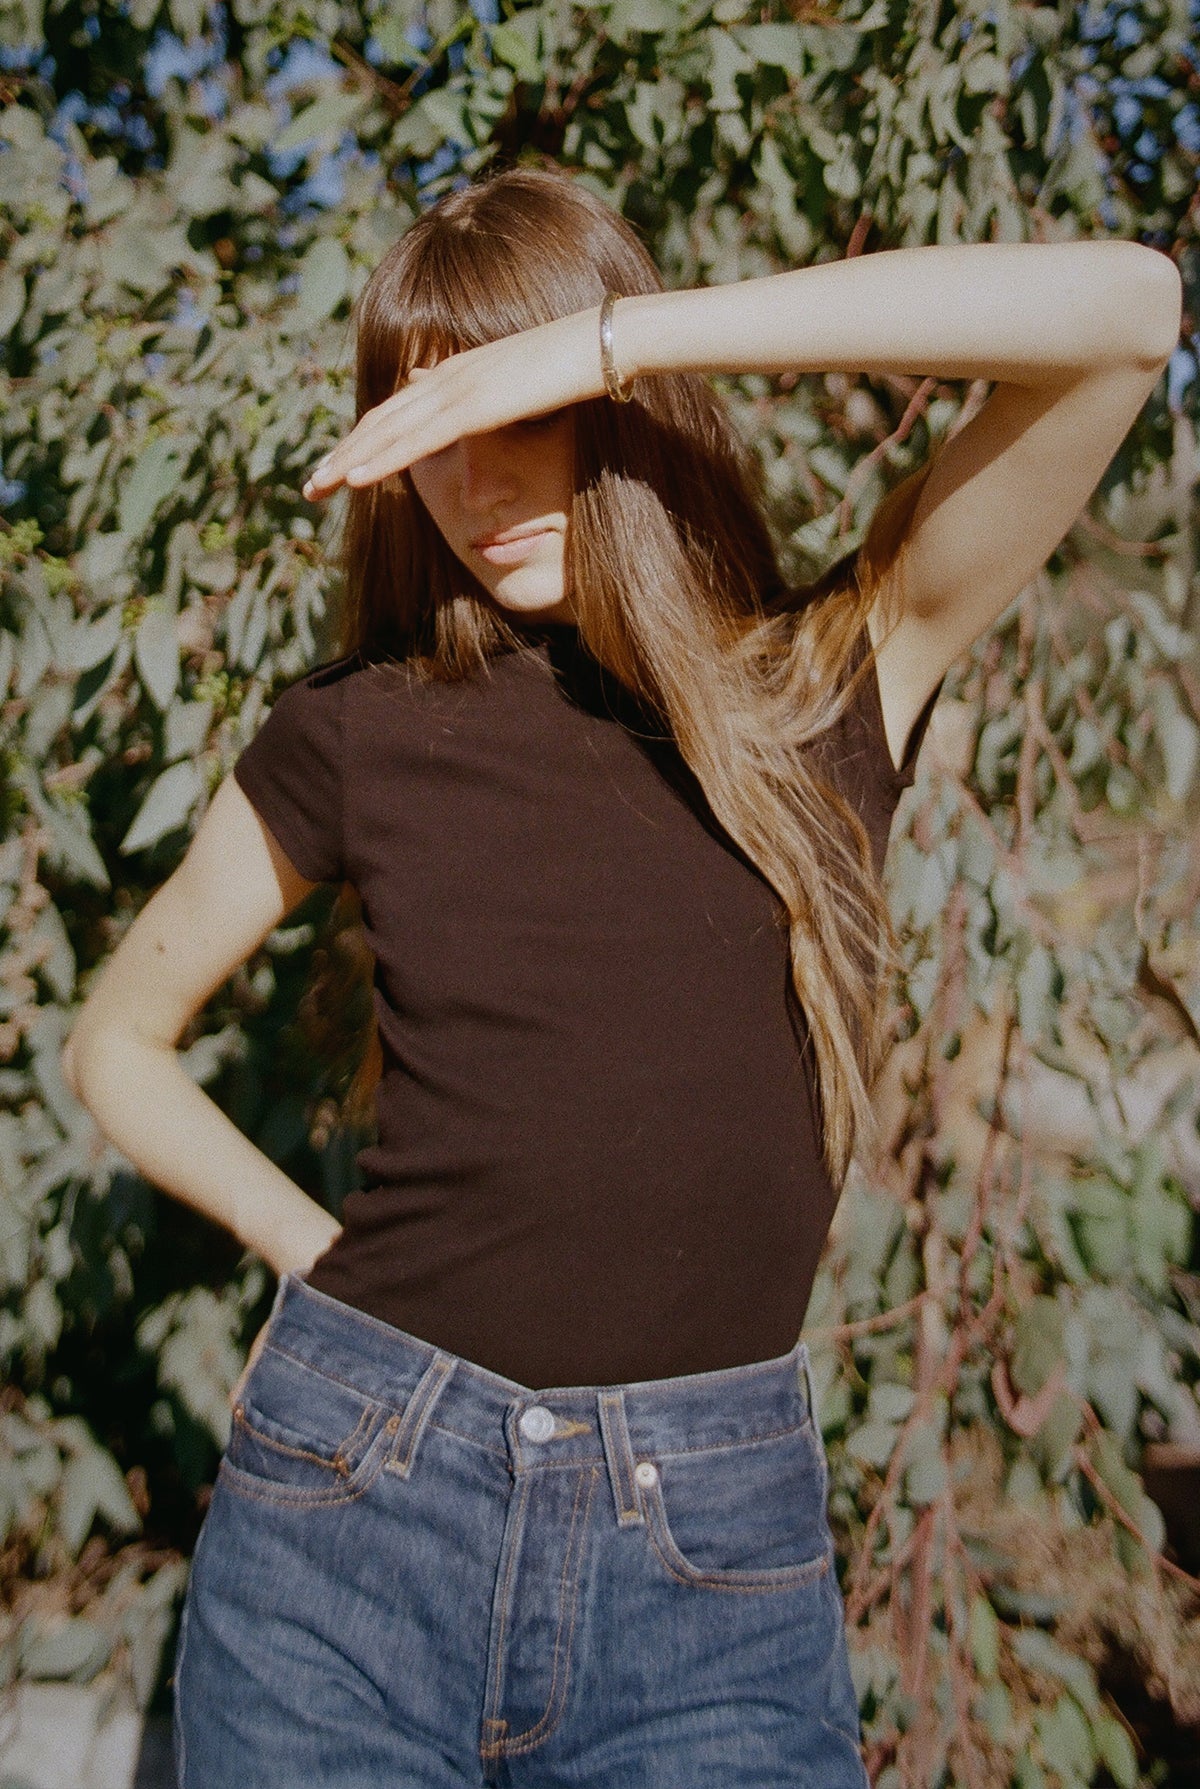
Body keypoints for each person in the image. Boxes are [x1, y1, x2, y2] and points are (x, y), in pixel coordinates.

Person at [61, 165, 1181, 1788]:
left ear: (604, 392)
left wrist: (605, 340)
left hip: (705, 1576)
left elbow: (1127, 316)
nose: (469, 469)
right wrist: (311, 1263)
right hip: (347, 1532)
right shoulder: (355, 730)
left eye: (502, 402)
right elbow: (118, 1043)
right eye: (423, 421)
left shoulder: (823, 687)